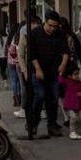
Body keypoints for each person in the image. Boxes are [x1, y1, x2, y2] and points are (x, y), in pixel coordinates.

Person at [27, 11, 69, 140]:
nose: (52, 29)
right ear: (45, 22)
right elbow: (32, 54)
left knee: (53, 98)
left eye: (55, 26)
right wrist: (38, 69)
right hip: (38, 71)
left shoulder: (60, 34)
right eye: (50, 25)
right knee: (40, 96)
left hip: (53, 71)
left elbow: (66, 51)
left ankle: (52, 125)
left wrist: (63, 64)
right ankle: (33, 123)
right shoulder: (35, 33)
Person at [16, 14, 42, 120]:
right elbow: (20, 56)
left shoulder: (41, 36)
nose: (37, 26)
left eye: (38, 24)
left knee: (40, 94)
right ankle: (28, 114)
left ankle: (37, 112)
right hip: (28, 70)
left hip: (40, 69)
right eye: (35, 24)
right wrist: (25, 71)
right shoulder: (25, 37)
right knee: (29, 92)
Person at [6, 22, 24, 112]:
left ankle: (16, 98)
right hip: (19, 63)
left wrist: (14, 58)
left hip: (11, 62)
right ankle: (20, 98)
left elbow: (11, 51)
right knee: (20, 82)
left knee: (14, 81)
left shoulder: (13, 37)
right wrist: (18, 59)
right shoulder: (22, 36)